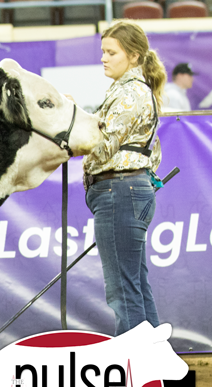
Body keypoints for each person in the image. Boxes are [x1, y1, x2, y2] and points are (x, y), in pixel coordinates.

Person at [83, 20, 166, 336]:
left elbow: (102, 149)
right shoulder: (133, 91)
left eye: (111, 52)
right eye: (103, 52)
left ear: (134, 56)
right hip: (129, 190)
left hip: (118, 190)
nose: (104, 58)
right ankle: (156, 363)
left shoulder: (130, 94)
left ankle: (134, 369)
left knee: (122, 290)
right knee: (134, 284)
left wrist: (66, 136)